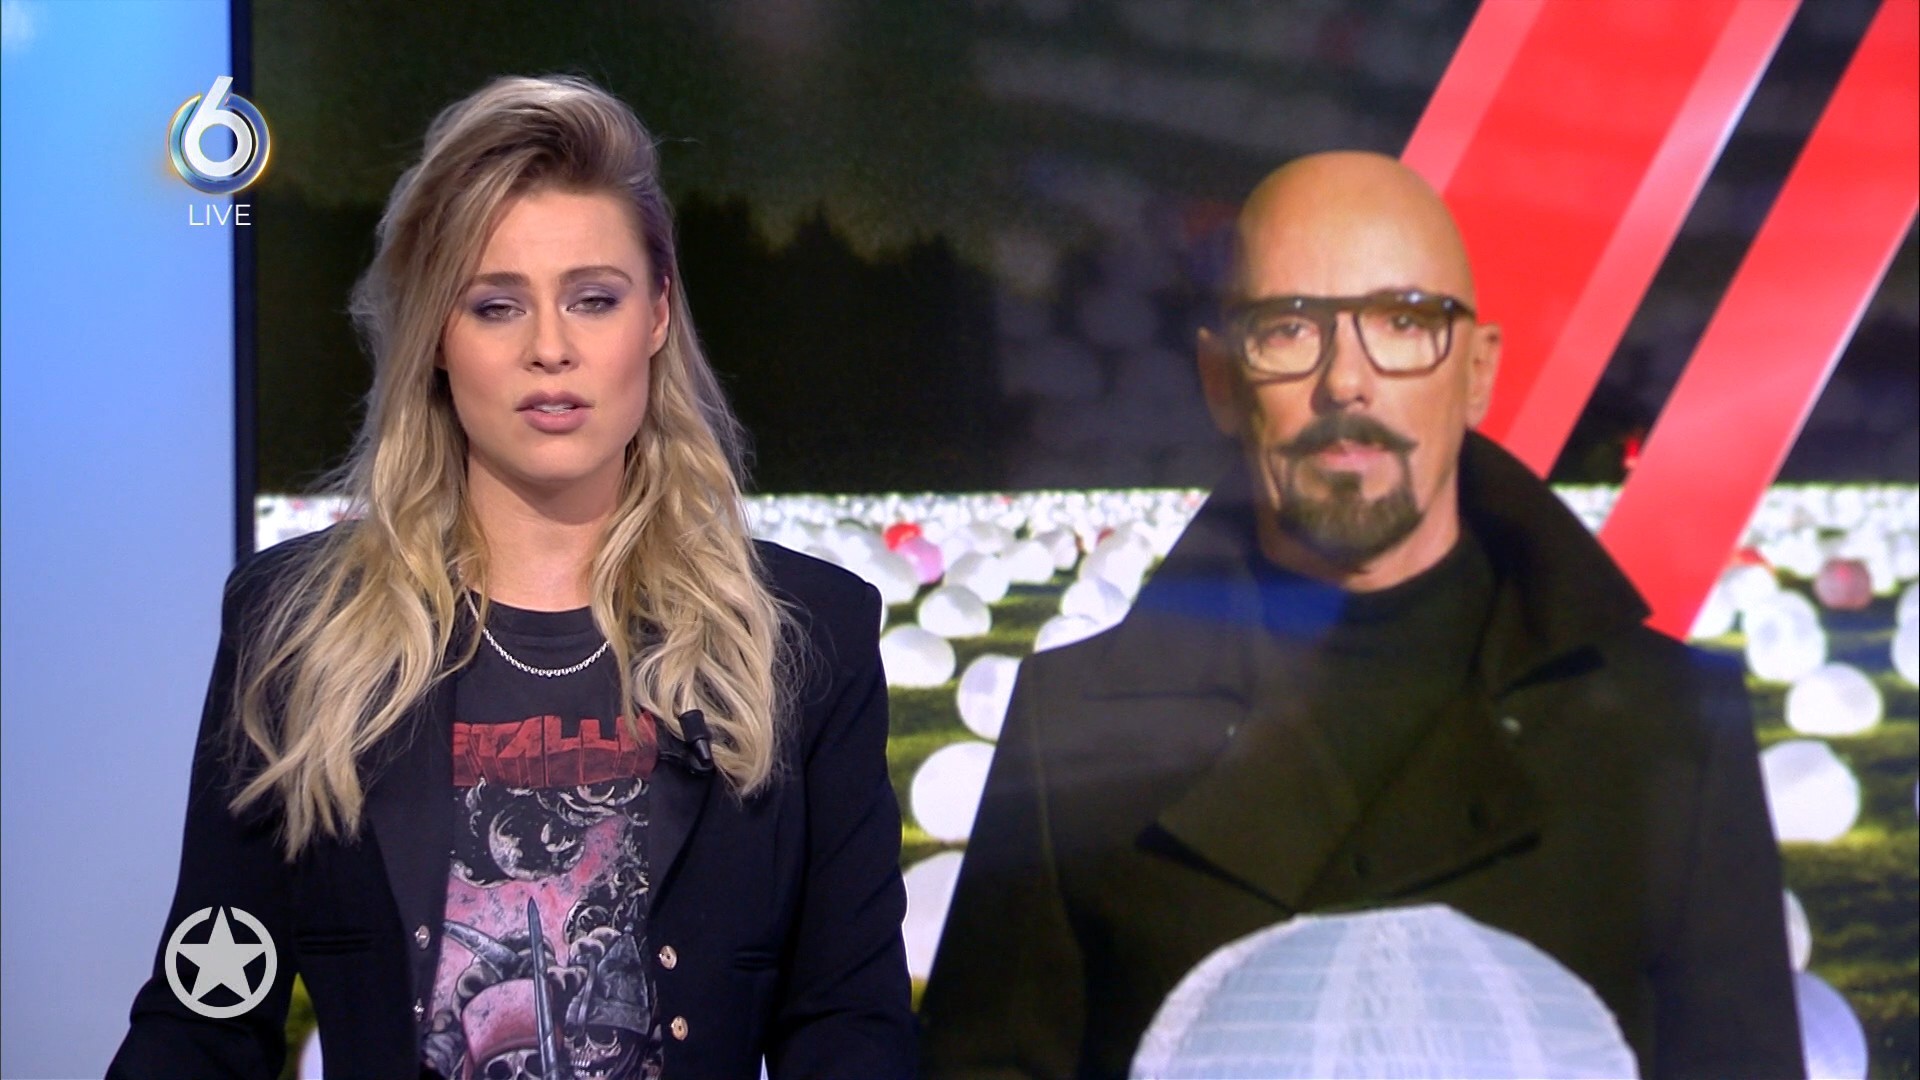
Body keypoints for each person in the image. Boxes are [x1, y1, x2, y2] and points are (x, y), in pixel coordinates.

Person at [918, 151, 1802, 1079]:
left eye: (1404, 321)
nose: (1346, 381)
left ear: (1477, 370)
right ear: (1221, 381)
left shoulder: (1669, 726)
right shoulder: (1073, 729)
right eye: (1289, 328)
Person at [109, 75, 914, 1079]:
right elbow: (206, 1020)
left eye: (594, 299)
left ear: (657, 314)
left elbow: (850, 1028)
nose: (550, 350)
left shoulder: (808, 634)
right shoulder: (297, 627)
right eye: (496, 306)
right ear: (436, 337)